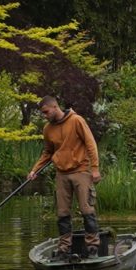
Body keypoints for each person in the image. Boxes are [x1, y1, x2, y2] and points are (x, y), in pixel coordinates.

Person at [29, 95, 101, 253]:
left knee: (86, 209)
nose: (45, 115)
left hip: (81, 170)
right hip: (61, 174)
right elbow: (47, 152)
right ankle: (64, 247)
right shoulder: (47, 129)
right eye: (43, 113)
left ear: (55, 107)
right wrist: (34, 170)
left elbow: (91, 144)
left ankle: (92, 246)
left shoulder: (76, 121)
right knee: (62, 213)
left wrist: (95, 169)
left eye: (46, 112)